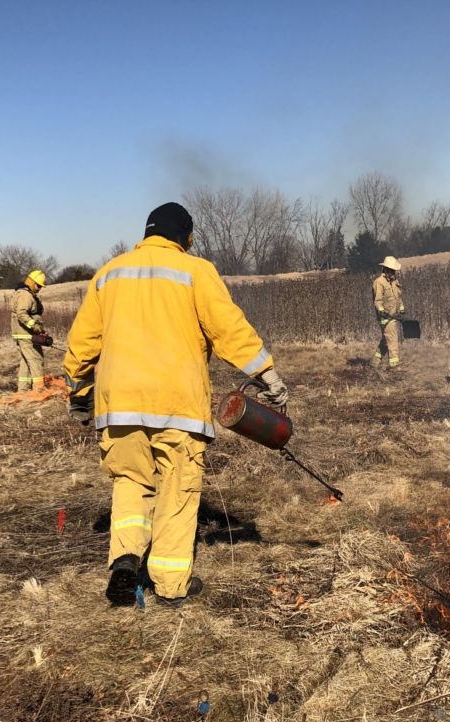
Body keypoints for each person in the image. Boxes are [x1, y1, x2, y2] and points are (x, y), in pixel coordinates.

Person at [63, 202, 288, 608]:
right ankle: (169, 586)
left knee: (130, 481)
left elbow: (83, 342)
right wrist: (265, 372)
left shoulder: (109, 273)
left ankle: (126, 557)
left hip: (119, 404)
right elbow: (228, 327)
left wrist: (78, 391)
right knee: (177, 490)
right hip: (177, 404)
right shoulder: (194, 270)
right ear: (185, 235)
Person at [10, 269, 48, 391]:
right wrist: (35, 326)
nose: (39, 289)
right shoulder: (25, 295)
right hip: (27, 335)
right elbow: (22, 314)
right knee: (36, 360)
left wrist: (40, 330)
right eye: (38, 285)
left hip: (26, 334)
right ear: (32, 282)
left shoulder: (25, 293)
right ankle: (39, 390)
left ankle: (23, 390)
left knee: (26, 362)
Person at [372, 256, 404, 369]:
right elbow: (378, 300)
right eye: (391, 270)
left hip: (394, 316)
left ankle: (374, 363)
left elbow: (398, 297)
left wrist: (401, 309)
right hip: (385, 318)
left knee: (386, 342)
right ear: (385, 269)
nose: (393, 273)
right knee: (392, 340)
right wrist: (382, 311)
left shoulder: (395, 282)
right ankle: (394, 367)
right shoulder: (379, 283)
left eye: (394, 270)